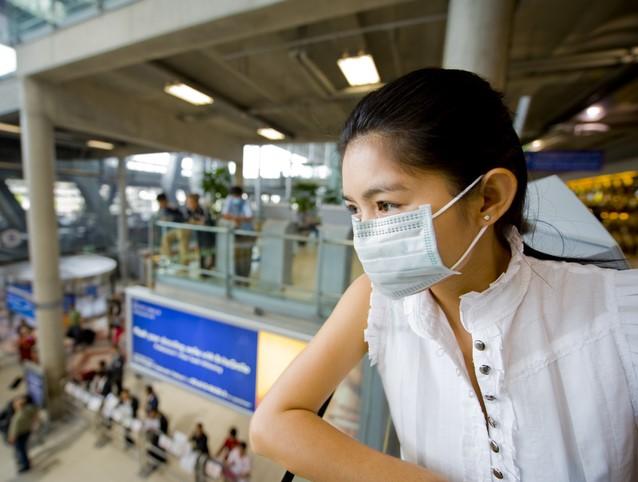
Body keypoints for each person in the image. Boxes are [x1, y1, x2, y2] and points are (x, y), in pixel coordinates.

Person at [249, 68, 638, 481]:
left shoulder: (618, 311)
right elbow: (272, 424)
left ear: (489, 197)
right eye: (354, 209)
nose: (365, 232)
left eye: (385, 205)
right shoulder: (376, 300)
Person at [222, 187, 254, 280]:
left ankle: (245, 278)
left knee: (246, 257)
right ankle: (237, 277)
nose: (234, 198)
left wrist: (237, 218)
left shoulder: (245, 203)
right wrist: (237, 218)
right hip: (236, 234)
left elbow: (250, 216)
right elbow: (225, 214)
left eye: (236, 196)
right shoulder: (229, 201)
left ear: (240, 195)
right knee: (237, 257)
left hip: (246, 234)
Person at [185, 193, 216, 272]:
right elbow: (188, 221)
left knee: (207, 251)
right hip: (199, 236)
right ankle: (203, 270)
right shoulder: (189, 211)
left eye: (190, 202)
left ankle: (208, 268)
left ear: (196, 202)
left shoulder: (202, 210)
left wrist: (195, 222)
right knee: (202, 252)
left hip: (207, 235)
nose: (189, 204)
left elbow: (204, 222)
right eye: (188, 202)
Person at [8, 395, 38, 474]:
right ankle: (26, 462)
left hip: (20, 434)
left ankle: (25, 464)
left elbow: (14, 428)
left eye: (16, 403)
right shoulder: (28, 410)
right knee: (23, 449)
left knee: (21, 450)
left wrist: (12, 437)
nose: (14, 405)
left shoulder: (19, 416)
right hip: (26, 431)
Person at [157, 192, 189, 264]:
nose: (160, 204)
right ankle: (166, 261)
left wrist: (170, 218)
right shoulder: (161, 210)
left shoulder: (172, 208)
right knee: (166, 238)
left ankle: (184, 264)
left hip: (182, 227)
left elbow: (182, 217)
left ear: (165, 201)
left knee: (182, 241)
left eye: (161, 202)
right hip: (175, 229)